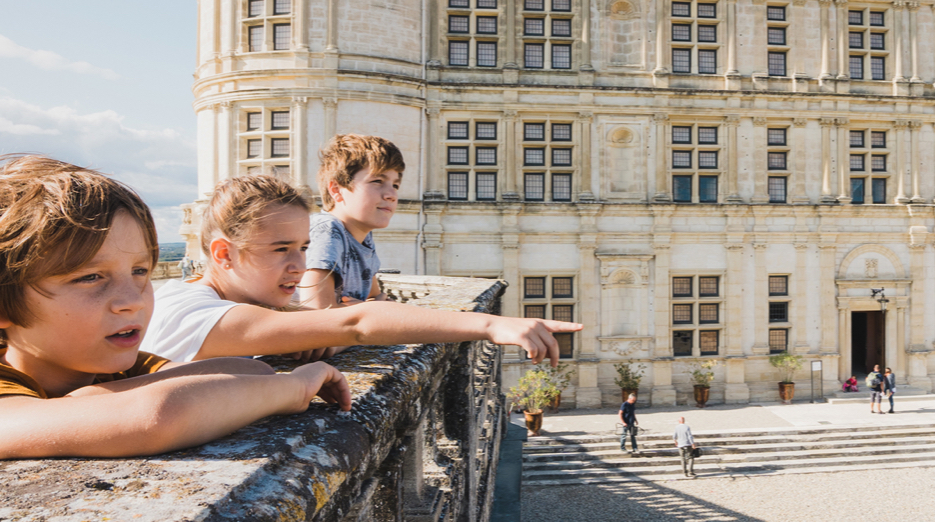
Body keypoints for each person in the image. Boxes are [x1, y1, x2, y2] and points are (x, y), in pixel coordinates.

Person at [0, 155, 351, 460]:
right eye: (90, 277)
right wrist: (295, 389)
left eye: (139, 272)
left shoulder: (115, 369)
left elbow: (245, 373)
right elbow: (158, 417)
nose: (134, 299)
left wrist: (92, 396)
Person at [142, 175, 580, 364]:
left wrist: (313, 334)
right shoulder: (190, 310)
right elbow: (355, 321)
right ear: (223, 254)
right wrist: (490, 325)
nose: (299, 266)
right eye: (280, 249)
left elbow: (335, 321)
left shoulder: (248, 303)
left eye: (303, 247)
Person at [298, 135, 398, 311]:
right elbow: (316, 313)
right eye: (377, 181)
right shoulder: (327, 230)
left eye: (395, 185)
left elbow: (375, 297)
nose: (391, 194)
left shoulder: (363, 237)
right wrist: (371, 310)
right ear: (336, 190)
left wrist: (372, 307)